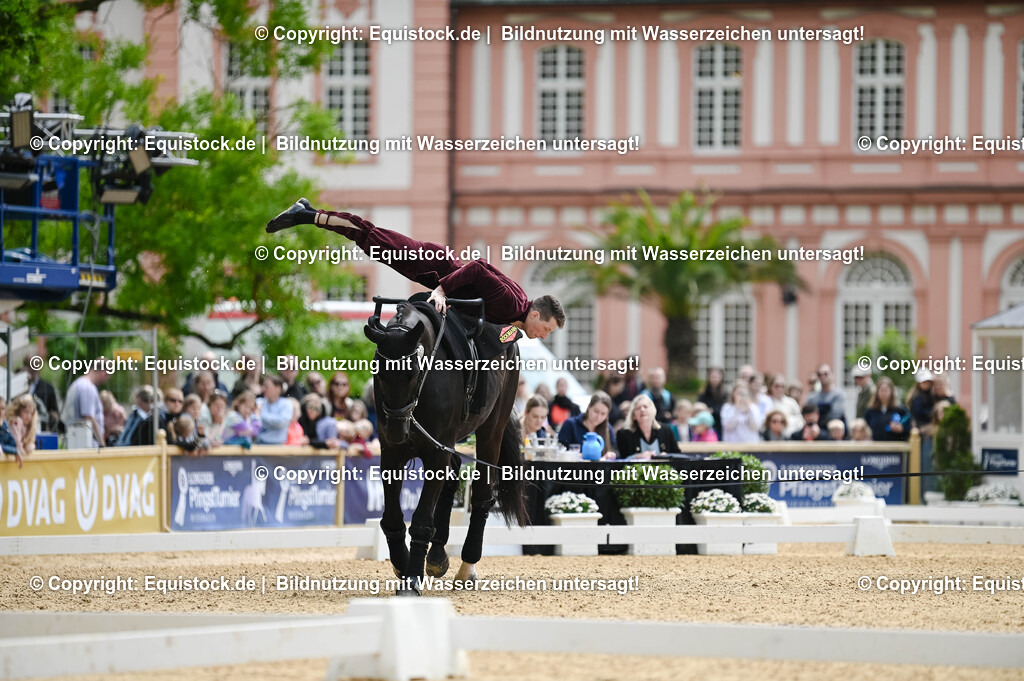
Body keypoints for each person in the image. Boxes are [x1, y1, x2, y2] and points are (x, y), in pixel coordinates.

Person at [267, 201, 566, 338]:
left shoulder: (516, 310)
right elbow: (479, 267)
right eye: (546, 330)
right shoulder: (512, 304)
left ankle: (308, 210)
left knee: (371, 243)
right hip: (432, 263)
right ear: (536, 315)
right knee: (370, 237)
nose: (544, 336)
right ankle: (306, 215)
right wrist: (442, 289)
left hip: (431, 267)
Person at [615, 394, 681, 459]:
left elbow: (677, 455)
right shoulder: (624, 434)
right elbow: (621, 460)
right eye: (638, 408)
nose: (642, 410)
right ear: (633, 416)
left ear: (653, 411)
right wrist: (638, 457)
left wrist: (667, 456)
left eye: (645, 407)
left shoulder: (666, 430)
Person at [61, 362, 111, 448]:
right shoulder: (87, 388)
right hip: (86, 444)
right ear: (103, 372)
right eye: (107, 376)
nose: (106, 380)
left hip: (75, 440)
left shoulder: (77, 384)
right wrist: (101, 442)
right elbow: (88, 416)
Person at [557, 391, 616, 458]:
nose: (598, 417)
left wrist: (611, 454)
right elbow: (559, 450)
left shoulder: (608, 428)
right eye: (596, 411)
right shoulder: (571, 425)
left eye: (603, 414)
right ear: (589, 407)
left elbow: (615, 450)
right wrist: (575, 455)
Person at [864, 377, 910, 442]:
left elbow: (909, 428)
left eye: (886, 390)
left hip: (895, 447)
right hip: (875, 447)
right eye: (882, 390)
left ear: (891, 392)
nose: (884, 393)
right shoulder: (870, 411)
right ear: (877, 392)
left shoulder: (900, 410)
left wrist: (901, 428)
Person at [805, 364, 846, 432]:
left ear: (832, 375)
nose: (822, 376)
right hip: (815, 432)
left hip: (833, 433)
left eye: (826, 374)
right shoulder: (812, 397)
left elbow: (835, 415)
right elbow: (807, 414)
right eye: (819, 374)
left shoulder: (839, 395)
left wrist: (817, 417)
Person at [23, 355, 59, 432]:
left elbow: (54, 412)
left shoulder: (47, 388)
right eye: (31, 365)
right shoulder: (19, 385)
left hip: (40, 428)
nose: (34, 369)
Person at [2, 395, 38, 468]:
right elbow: (16, 443)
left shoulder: (29, 427)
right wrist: (24, 455)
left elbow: (30, 444)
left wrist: (30, 448)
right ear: (18, 411)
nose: (29, 416)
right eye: (26, 412)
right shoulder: (16, 421)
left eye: (31, 413)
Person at [256, 375, 291, 444]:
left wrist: (260, 414)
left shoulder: (286, 404)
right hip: (258, 444)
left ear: (277, 388)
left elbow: (281, 423)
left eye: (267, 386)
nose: (263, 389)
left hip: (278, 446)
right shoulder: (259, 402)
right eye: (263, 386)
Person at [697, 366, 727, 439]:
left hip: (720, 426)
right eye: (713, 377)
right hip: (706, 427)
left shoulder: (725, 394)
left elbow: (724, 409)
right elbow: (698, 407)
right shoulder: (703, 394)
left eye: (717, 377)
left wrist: (712, 411)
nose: (715, 379)